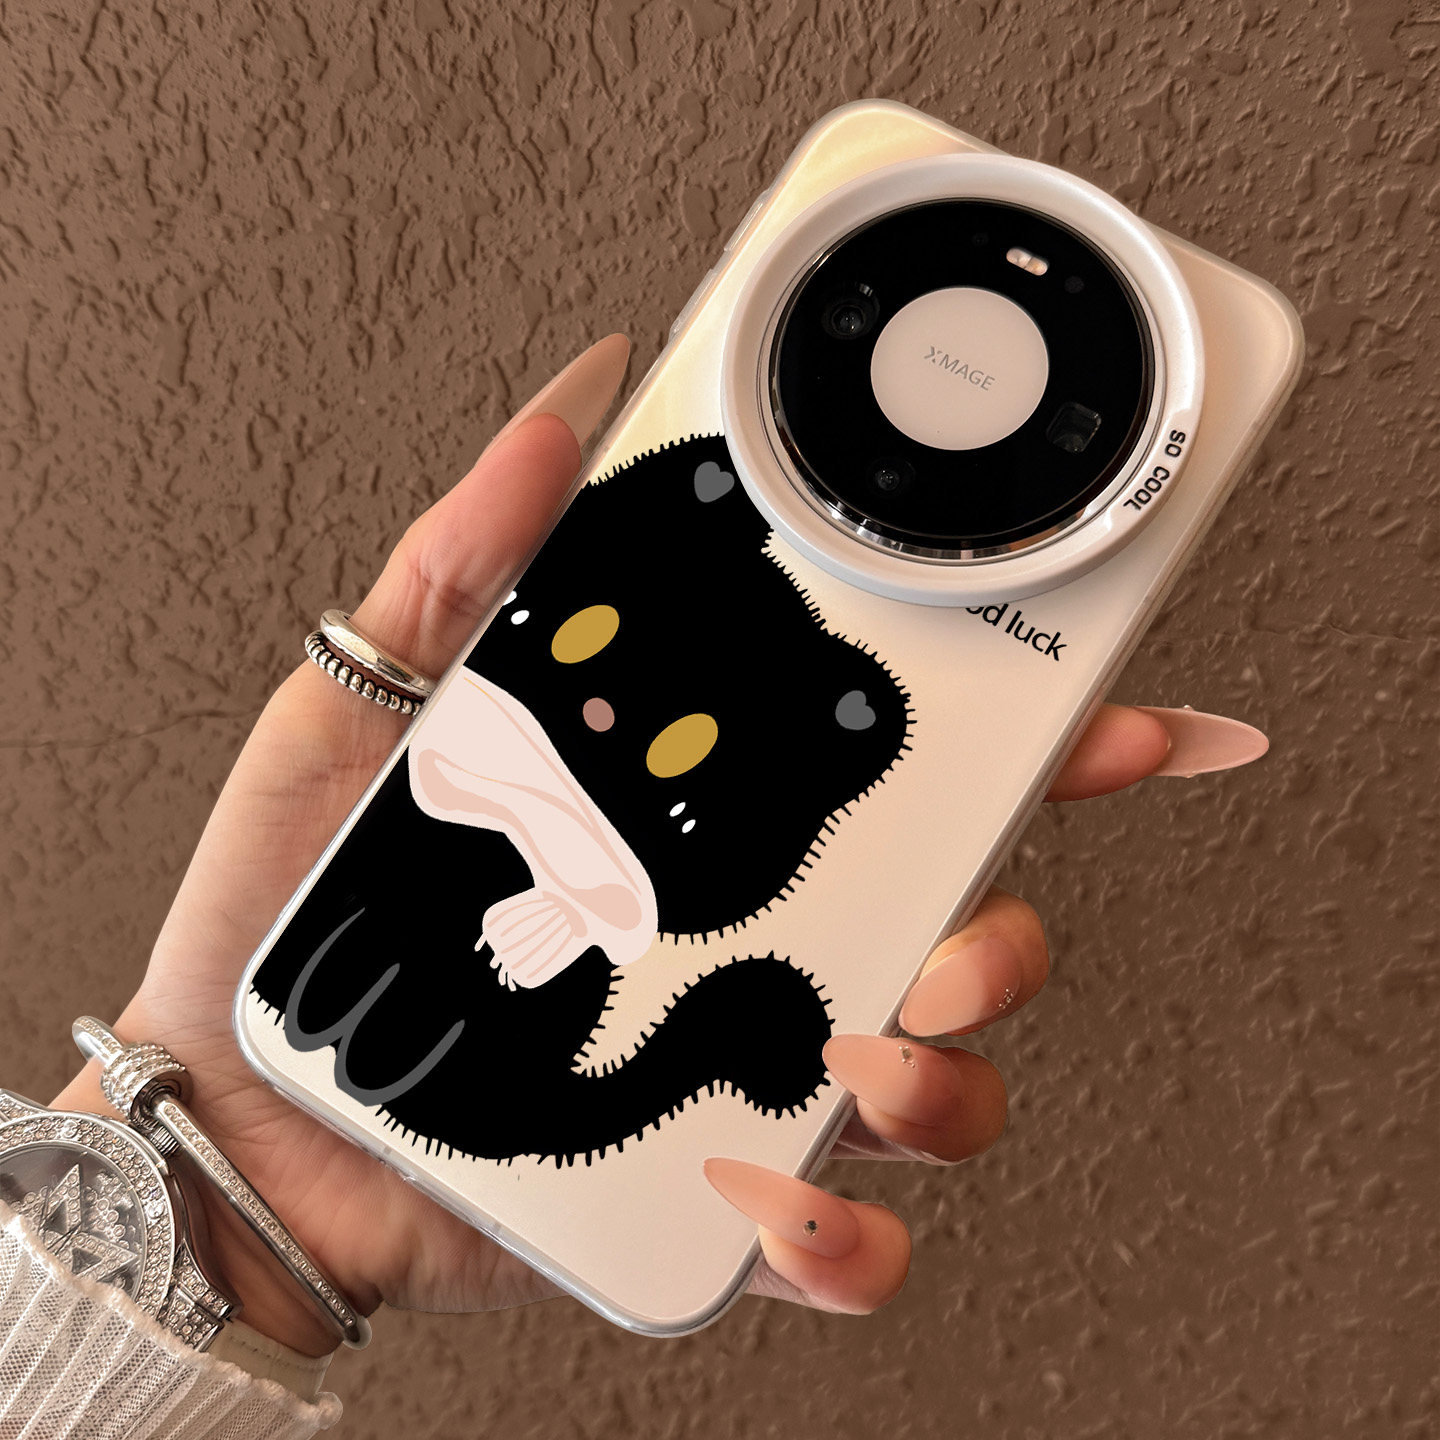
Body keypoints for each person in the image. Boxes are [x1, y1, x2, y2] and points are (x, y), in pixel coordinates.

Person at [0, 336, 1268, 1436]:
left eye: (686, 751)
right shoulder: (494, 754)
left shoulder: (645, 865)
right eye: (596, 644)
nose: (610, 712)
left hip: (499, 1060)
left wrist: (229, 1237)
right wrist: (215, 1193)